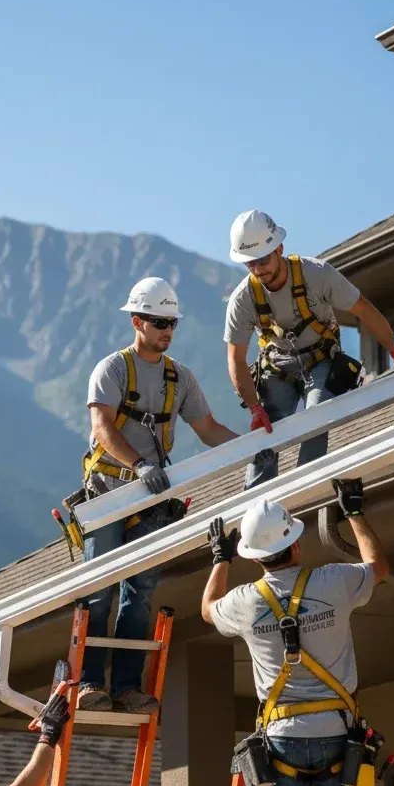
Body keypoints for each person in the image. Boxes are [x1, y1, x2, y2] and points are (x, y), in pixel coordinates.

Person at [199, 481, 388, 786]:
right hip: (337, 739)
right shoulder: (332, 582)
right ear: (295, 543)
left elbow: (206, 610)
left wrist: (219, 559)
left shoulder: (244, 602)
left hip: (281, 742)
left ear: (254, 556)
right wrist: (355, 515)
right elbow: (377, 569)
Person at [77, 276, 239, 712]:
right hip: (109, 493)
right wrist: (140, 464)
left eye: (172, 323)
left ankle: (126, 688)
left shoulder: (178, 378)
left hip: (150, 499)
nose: (167, 330)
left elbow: (207, 430)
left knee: (139, 594)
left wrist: (252, 445)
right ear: (137, 321)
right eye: (158, 321)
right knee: (99, 590)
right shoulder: (113, 369)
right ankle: (89, 684)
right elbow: (102, 428)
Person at [223, 209, 394, 490]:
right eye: (250, 264)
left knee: (316, 416)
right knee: (264, 435)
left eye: (263, 259)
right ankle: (255, 504)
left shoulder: (317, 275)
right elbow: (236, 358)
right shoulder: (243, 299)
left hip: (320, 359)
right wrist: (255, 406)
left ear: (279, 248)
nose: (258, 269)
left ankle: (306, 486)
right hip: (277, 367)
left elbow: (364, 309)